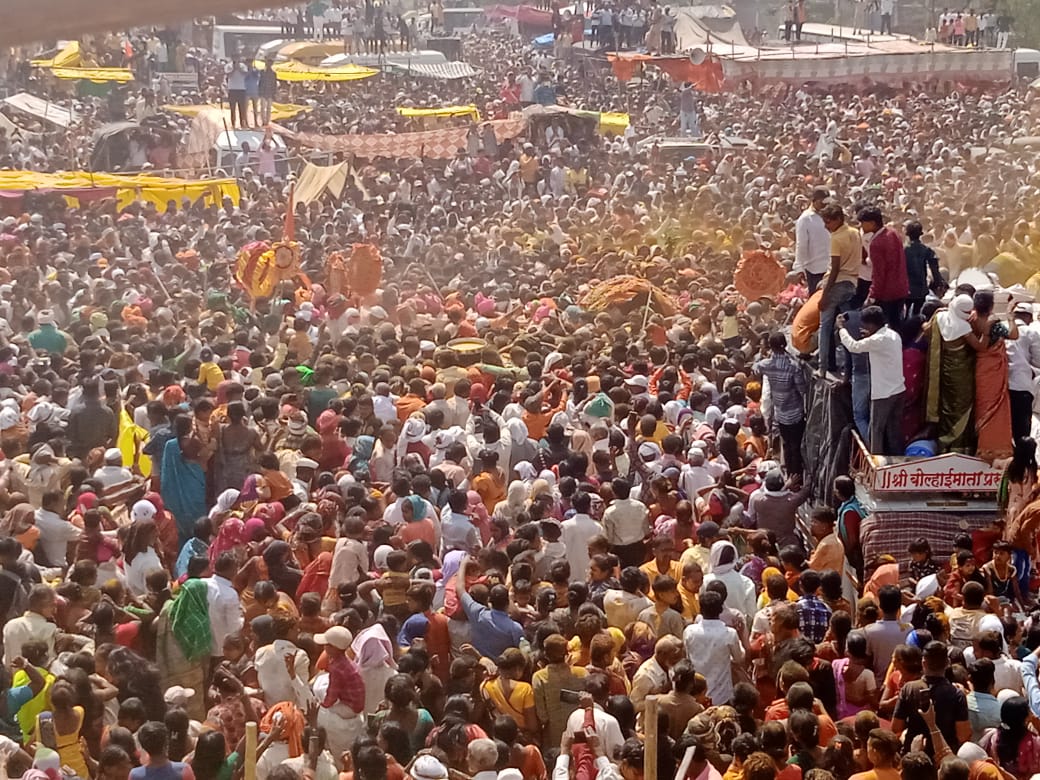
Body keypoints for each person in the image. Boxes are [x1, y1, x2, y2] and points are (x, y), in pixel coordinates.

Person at [838, 306, 906, 455]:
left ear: (870, 324)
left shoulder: (878, 340)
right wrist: (868, 337)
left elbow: (853, 347)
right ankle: (898, 460)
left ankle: (877, 465)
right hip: (899, 389)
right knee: (894, 429)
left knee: (876, 430)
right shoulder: (893, 335)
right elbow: (878, 346)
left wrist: (841, 329)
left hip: (883, 394)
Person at [819, 203, 863, 376]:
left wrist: (824, 295)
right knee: (847, 327)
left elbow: (835, 269)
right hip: (852, 284)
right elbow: (864, 254)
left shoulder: (836, 238)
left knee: (825, 327)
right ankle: (850, 369)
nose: (826, 226)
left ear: (838, 219)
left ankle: (822, 368)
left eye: (828, 222)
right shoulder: (855, 232)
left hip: (837, 284)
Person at [683, 590, 744, 705]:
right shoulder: (729, 634)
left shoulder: (689, 632)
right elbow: (739, 659)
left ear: (700, 610)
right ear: (720, 609)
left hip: (697, 695)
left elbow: (687, 657)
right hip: (722, 695)